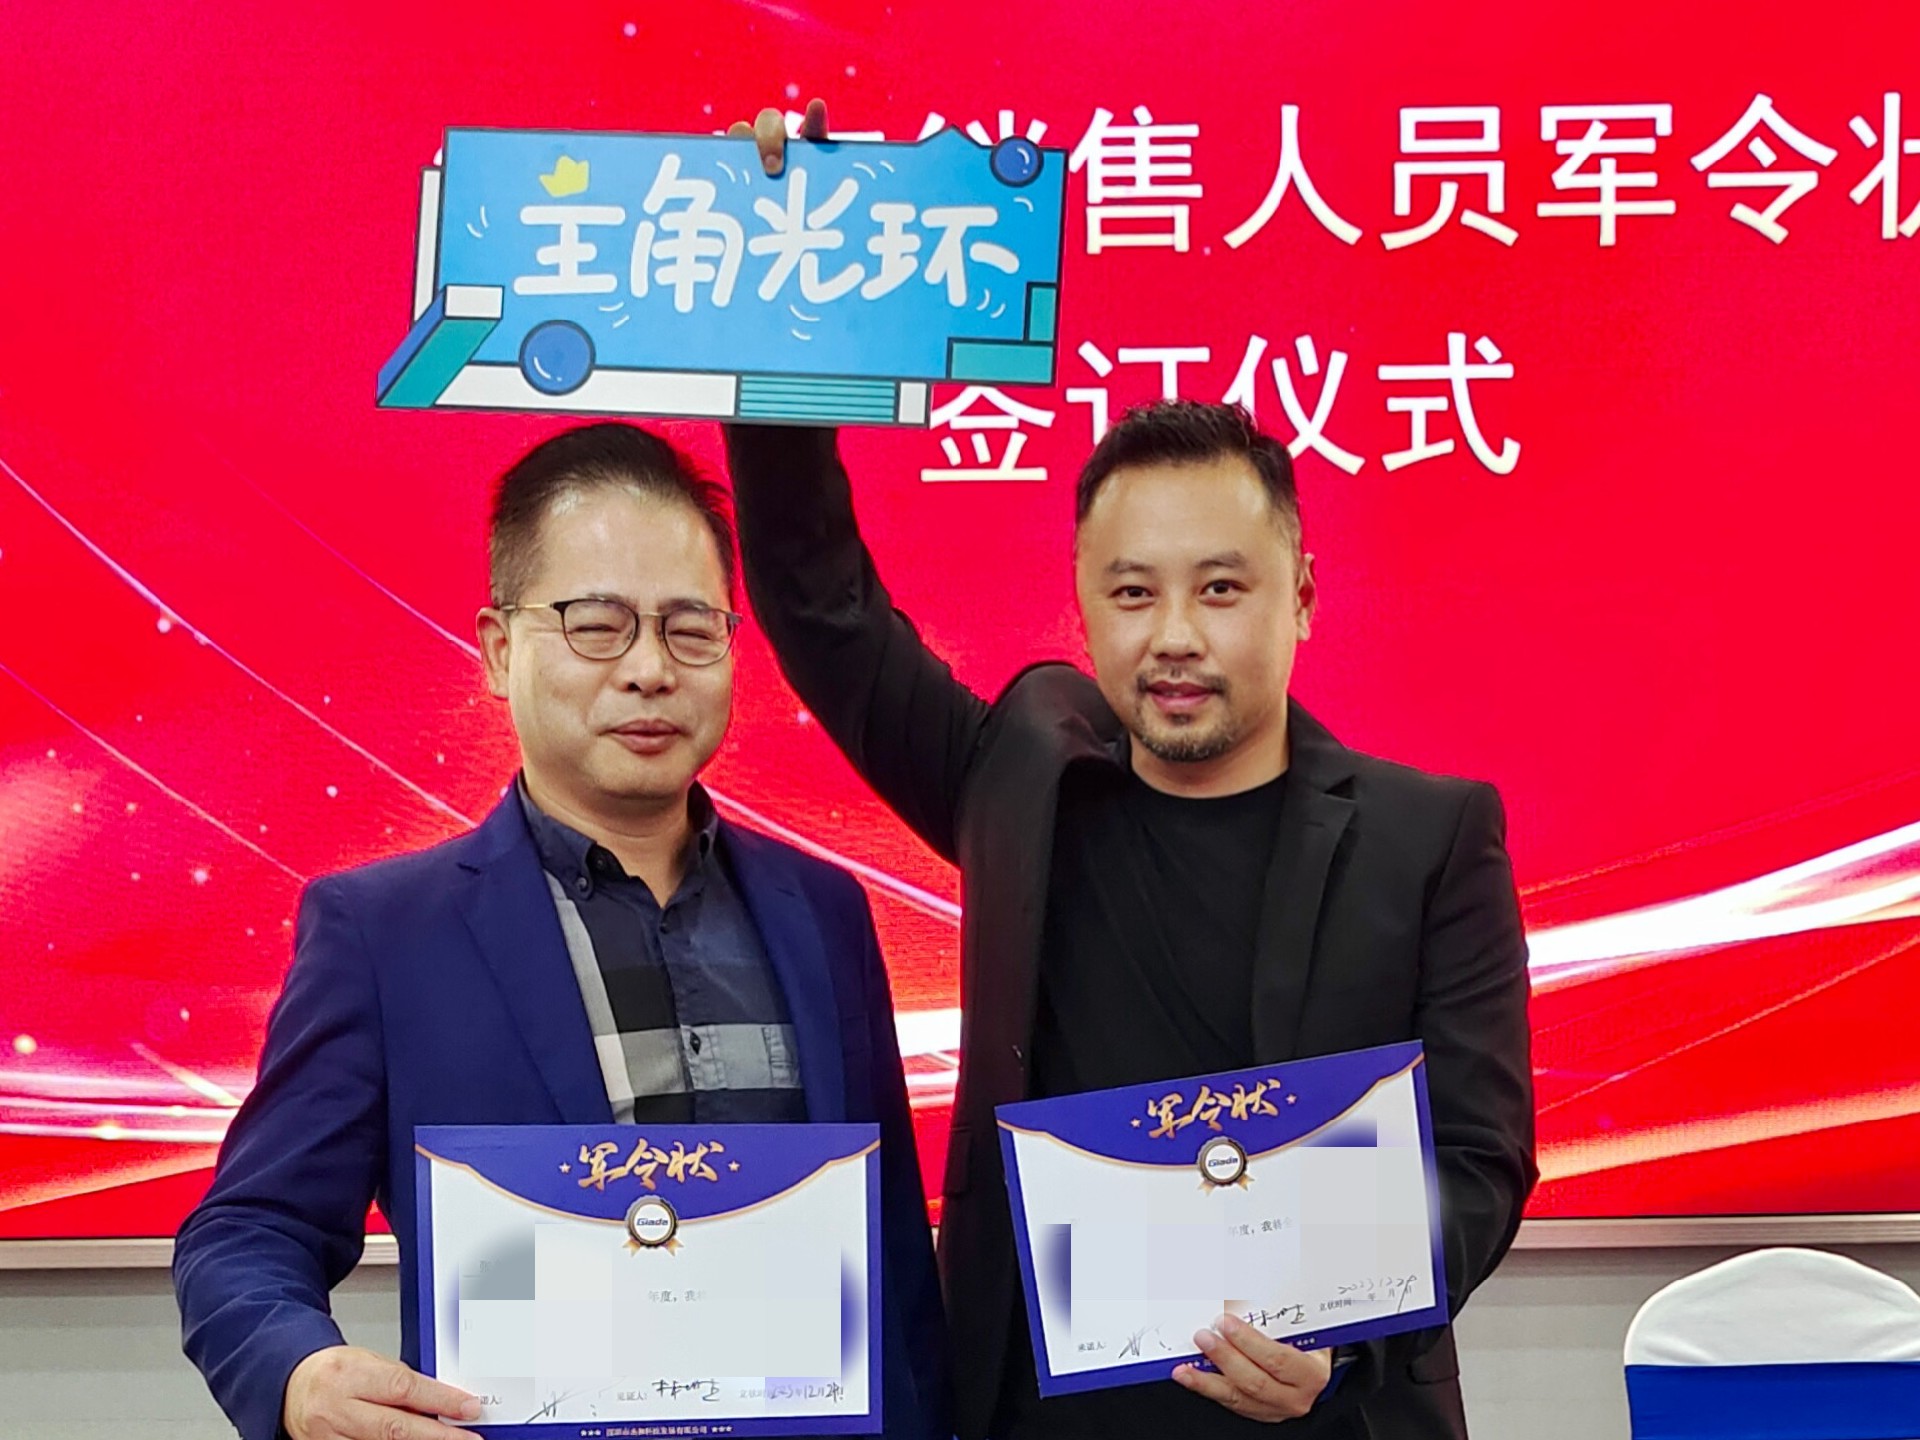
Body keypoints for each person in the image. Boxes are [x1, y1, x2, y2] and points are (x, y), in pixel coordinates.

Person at [725, 105, 1536, 1440]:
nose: (1174, 637)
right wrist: (785, 272)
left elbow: (1479, 1159)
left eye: (1221, 589)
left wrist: (1347, 1332)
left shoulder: (1428, 837)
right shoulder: (1021, 783)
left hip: (1322, 1415)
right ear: (1085, 605)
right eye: (1132, 591)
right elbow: (822, 607)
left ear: (1301, 596)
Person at [173, 423, 948, 1440]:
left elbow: (891, 1255)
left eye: (690, 628)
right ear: (500, 650)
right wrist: (297, 1375)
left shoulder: (825, 911)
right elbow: (247, 1230)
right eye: (597, 625)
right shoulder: (383, 935)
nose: (649, 670)